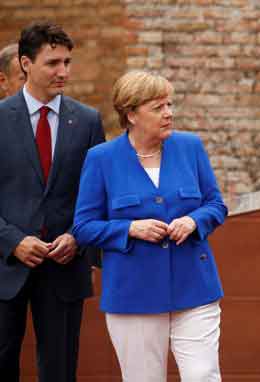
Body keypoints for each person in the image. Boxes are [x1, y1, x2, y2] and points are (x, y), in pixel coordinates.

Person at [73, 70, 227, 381]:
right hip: (134, 293)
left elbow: (215, 204)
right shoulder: (102, 159)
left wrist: (193, 220)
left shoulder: (190, 146)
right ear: (130, 114)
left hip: (194, 286)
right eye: (158, 108)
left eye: (170, 104)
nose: (169, 113)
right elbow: (84, 226)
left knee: (203, 376)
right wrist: (130, 228)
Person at [0, 22, 105, 381]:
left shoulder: (89, 121)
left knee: (60, 371)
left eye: (67, 62)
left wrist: (78, 237)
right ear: (25, 63)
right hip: (4, 266)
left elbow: (97, 195)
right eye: (52, 63)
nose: (63, 71)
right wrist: (13, 242)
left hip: (64, 265)